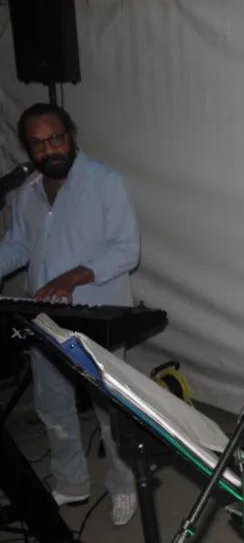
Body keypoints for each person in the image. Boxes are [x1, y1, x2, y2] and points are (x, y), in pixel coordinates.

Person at [0, 103, 140, 526]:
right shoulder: (28, 192)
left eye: (55, 138)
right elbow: (18, 246)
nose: (49, 149)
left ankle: (124, 484)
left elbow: (126, 249)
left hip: (97, 314)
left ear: (71, 134)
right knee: (52, 402)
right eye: (38, 144)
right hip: (44, 316)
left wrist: (73, 276)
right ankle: (71, 482)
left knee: (109, 407)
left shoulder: (106, 182)